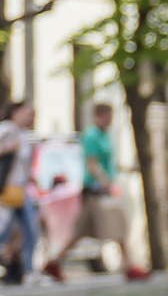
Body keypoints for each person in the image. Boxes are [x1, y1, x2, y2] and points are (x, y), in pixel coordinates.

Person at [47, 100, 144, 281]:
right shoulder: (91, 135)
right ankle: (129, 265)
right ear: (100, 115)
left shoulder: (104, 135)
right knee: (118, 225)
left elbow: (108, 162)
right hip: (95, 191)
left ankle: (55, 262)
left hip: (99, 190)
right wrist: (105, 181)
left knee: (79, 232)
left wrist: (122, 169)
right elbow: (92, 164)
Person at [0, 100, 39, 285]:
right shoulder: (6, 129)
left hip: (20, 191)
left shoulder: (23, 135)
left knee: (30, 229)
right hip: (6, 190)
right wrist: (7, 149)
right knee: (3, 231)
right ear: (15, 112)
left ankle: (29, 270)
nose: (30, 116)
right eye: (27, 112)